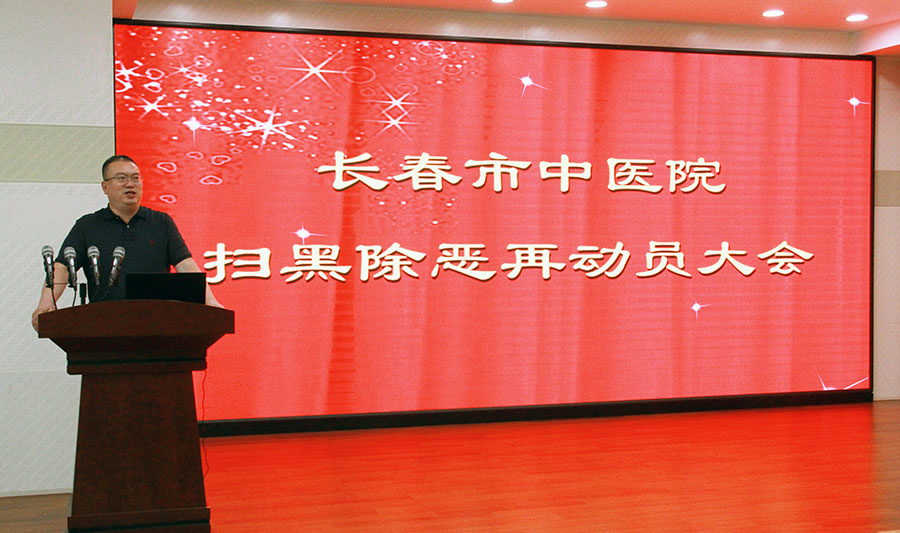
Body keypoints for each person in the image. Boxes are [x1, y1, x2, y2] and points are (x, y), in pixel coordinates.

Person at [31, 155, 220, 331]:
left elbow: (186, 265)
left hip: (156, 327)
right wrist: (46, 304)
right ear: (105, 187)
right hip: (103, 328)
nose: (130, 184)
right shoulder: (88, 225)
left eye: (135, 178)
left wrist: (210, 302)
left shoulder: (161, 222)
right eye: (121, 178)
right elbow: (62, 267)